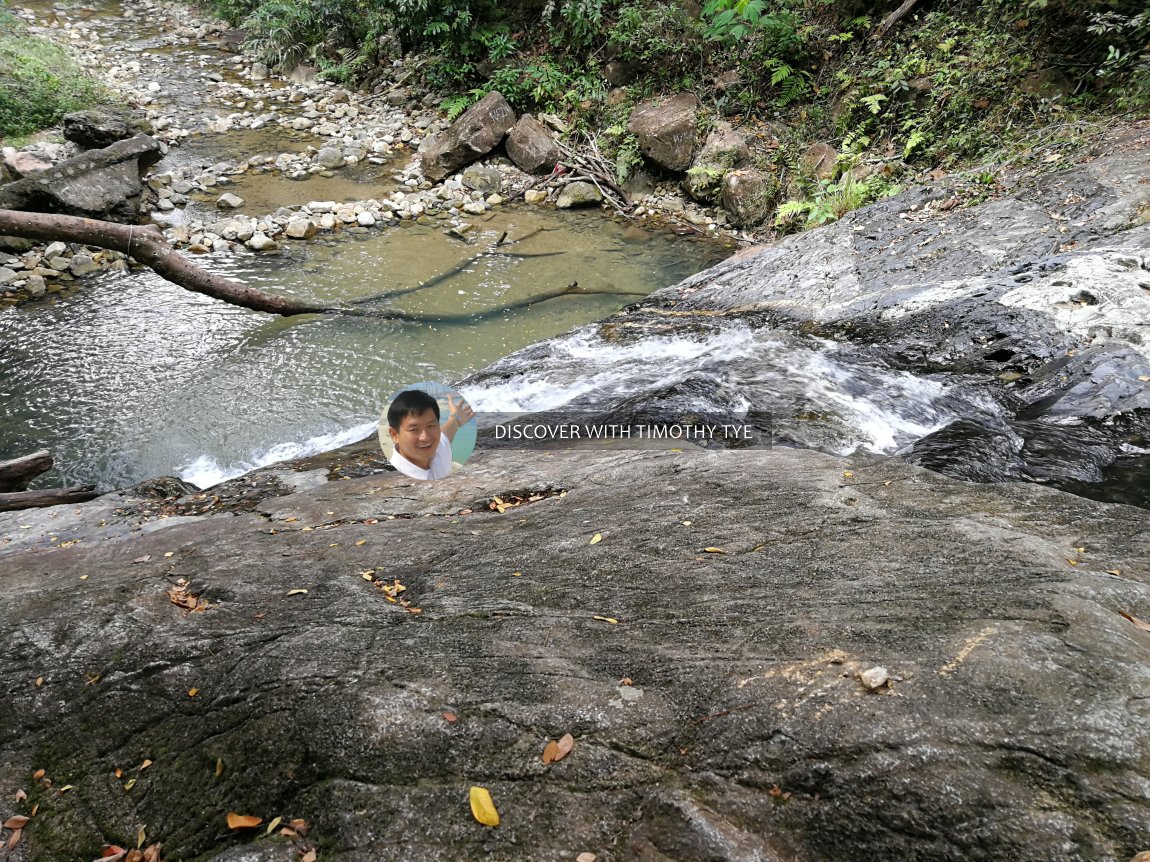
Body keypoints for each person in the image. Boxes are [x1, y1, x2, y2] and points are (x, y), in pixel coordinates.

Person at [385, 389, 474, 481]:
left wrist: (456, 418)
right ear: (394, 435)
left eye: (431, 426)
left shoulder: (438, 449)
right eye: (414, 429)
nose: (425, 437)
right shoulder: (395, 475)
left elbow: (446, 434)